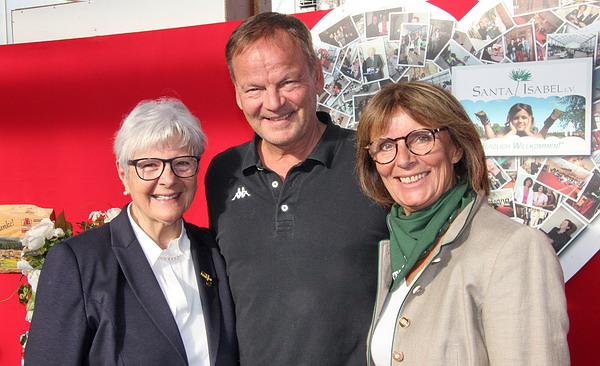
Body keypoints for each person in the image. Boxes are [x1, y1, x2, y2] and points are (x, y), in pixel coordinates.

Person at [205, 12, 388, 366]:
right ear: (238, 96)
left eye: (288, 82)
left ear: (317, 76)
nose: (274, 103)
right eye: (255, 89)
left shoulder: (372, 161)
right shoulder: (222, 174)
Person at [355, 82, 569, 365]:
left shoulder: (515, 248)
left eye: (420, 138)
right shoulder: (392, 250)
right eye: (385, 146)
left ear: (456, 147)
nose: (403, 160)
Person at [25, 98, 238, 365]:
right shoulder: (79, 263)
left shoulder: (215, 253)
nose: (168, 179)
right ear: (123, 174)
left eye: (182, 163)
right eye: (149, 165)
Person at [475, 103, 561, 139]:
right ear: (510, 119)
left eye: (524, 117)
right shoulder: (505, 131)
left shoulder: (533, 132)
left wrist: (527, 131)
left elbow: (540, 140)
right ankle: (485, 122)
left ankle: (550, 120)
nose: (520, 121)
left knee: (542, 135)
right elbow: (494, 142)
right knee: (492, 139)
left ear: (530, 119)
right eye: (516, 118)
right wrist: (513, 131)